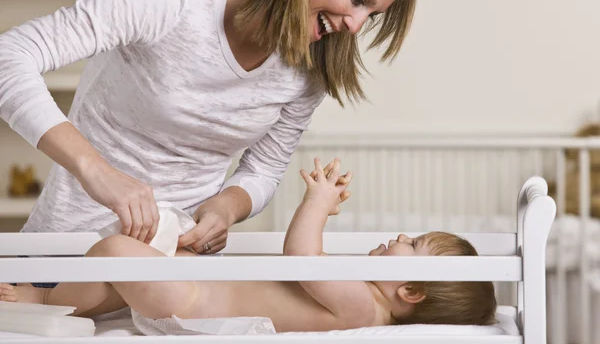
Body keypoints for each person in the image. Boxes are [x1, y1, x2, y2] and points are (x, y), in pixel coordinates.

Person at [0, 0, 420, 258]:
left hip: (177, 271)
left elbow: (264, 170)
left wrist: (226, 207)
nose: (356, 26)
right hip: (64, 258)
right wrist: (95, 171)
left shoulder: (309, 68)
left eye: (372, 14)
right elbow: (9, 57)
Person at [0, 158, 496, 332]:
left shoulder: (364, 310)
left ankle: (44, 300)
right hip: (193, 285)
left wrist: (318, 204)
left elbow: (303, 258)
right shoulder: (363, 292)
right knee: (136, 265)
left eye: (412, 244)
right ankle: (77, 304)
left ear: (410, 291)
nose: (399, 237)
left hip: (190, 305)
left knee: (113, 254)